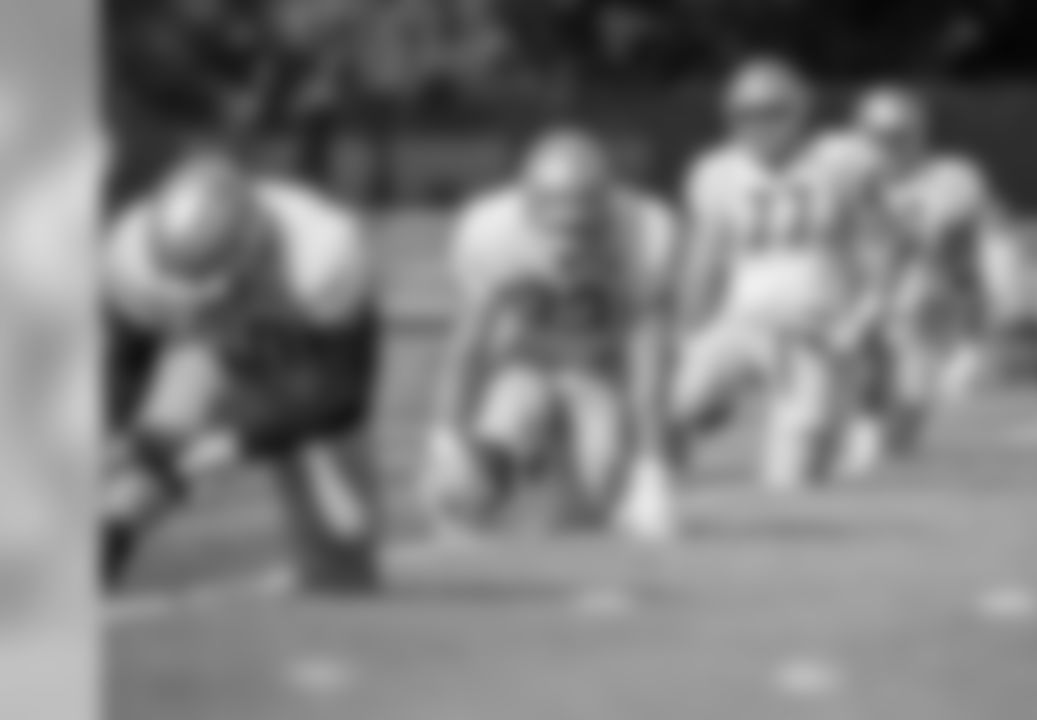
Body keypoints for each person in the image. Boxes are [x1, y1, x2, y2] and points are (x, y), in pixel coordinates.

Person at [102, 148, 382, 593]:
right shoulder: (134, 257)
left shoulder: (324, 254)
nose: (208, 295)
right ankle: (106, 544)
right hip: (203, 341)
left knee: (341, 565)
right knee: (144, 455)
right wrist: (127, 439)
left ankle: (334, 570)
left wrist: (227, 447)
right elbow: (127, 361)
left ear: (256, 250)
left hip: (301, 353)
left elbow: (342, 400)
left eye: (217, 282)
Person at [420, 129, 682, 541]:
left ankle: (599, 486)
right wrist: (446, 432)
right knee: (474, 483)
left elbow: (650, 357)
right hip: (525, 363)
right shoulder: (492, 233)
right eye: (559, 228)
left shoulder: (645, 231)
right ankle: (499, 493)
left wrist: (652, 463)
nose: (571, 246)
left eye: (584, 229)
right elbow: (469, 348)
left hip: (603, 369)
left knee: (603, 490)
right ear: (529, 209)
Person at [674, 58, 895, 491]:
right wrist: (687, 331)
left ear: (799, 110)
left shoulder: (843, 161)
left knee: (793, 478)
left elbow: (884, 247)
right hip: (741, 324)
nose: (758, 123)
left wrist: (863, 320)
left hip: (819, 332)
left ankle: (824, 434)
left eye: (771, 110)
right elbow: (704, 258)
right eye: (746, 112)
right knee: (674, 402)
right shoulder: (716, 172)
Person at [852, 86, 1023, 453]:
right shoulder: (841, 177)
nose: (889, 146)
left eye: (898, 136)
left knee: (900, 434)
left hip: (926, 298)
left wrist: (997, 298)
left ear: (917, 134)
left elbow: (979, 238)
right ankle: (864, 414)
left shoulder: (951, 178)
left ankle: (888, 415)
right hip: (861, 290)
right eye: (880, 136)